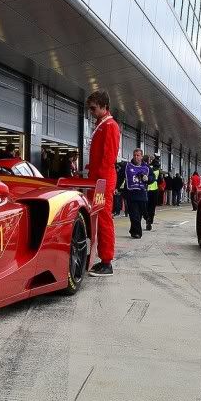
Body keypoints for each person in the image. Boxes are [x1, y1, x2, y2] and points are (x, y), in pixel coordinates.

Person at [85, 91, 120, 277]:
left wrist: (100, 180)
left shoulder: (110, 126)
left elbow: (109, 158)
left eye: (93, 108)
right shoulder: (102, 125)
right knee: (97, 217)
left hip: (102, 181)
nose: (91, 111)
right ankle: (101, 259)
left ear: (104, 106)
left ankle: (107, 262)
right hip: (98, 179)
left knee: (104, 218)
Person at [123, 148, 150, 238]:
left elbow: (153, 177)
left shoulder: (146, 167)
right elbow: (119, 177)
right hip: (131, 194)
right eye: (134, 155)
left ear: (141, 156)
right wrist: (116, 187)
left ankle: (133, 230)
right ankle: (138, 233)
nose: (136, 157)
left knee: (138, 215)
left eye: (138, 155)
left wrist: (148, 179)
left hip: (142, 194)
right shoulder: (127, 166)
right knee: (133, 214)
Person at [144, 156, 161, 230]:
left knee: (146, 206)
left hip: (147, 189)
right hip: (155, 190)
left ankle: (146, 218)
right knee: (152, 207)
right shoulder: (158, 170)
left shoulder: (148, 168)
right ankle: (150, 221)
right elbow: (160, 180)